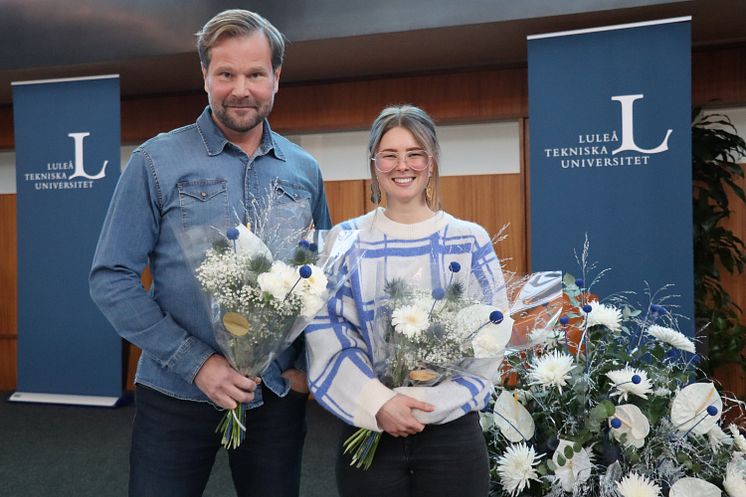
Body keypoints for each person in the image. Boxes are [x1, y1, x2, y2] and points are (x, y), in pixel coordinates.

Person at [89, 9, 330, 497]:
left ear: (276, 78)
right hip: (174, 392)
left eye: (255, 74)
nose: (241, 89)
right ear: (205, 76)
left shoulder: (304, 170)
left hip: (274, 396)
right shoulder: (156, 161)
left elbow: (318, 275)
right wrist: (197, 363)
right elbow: (110, 277)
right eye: (226, 74)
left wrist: (307, 366)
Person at [305, 105, 509, 497]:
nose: (403, 165)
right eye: (390, 155)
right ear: (374, 165)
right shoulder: (346, 240)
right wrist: (380, 403)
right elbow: (327, 334)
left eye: (415, 154)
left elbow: (489, 339)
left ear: (431, 162)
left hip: (450, 432)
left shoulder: (469, 239)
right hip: (369, 426)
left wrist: (424, 402)